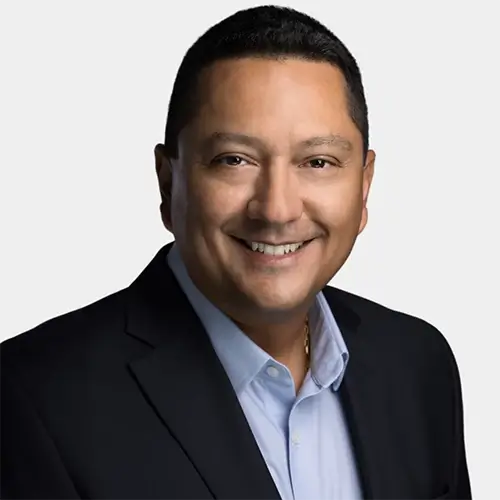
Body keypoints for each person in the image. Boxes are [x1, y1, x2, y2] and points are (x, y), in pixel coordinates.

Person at [0, 5, 472, 500]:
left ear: (364, 185)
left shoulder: (417, 364)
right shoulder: (34, 399)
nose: (277, 208)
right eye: (235, 160)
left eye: (318, 161)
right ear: (168, 182)